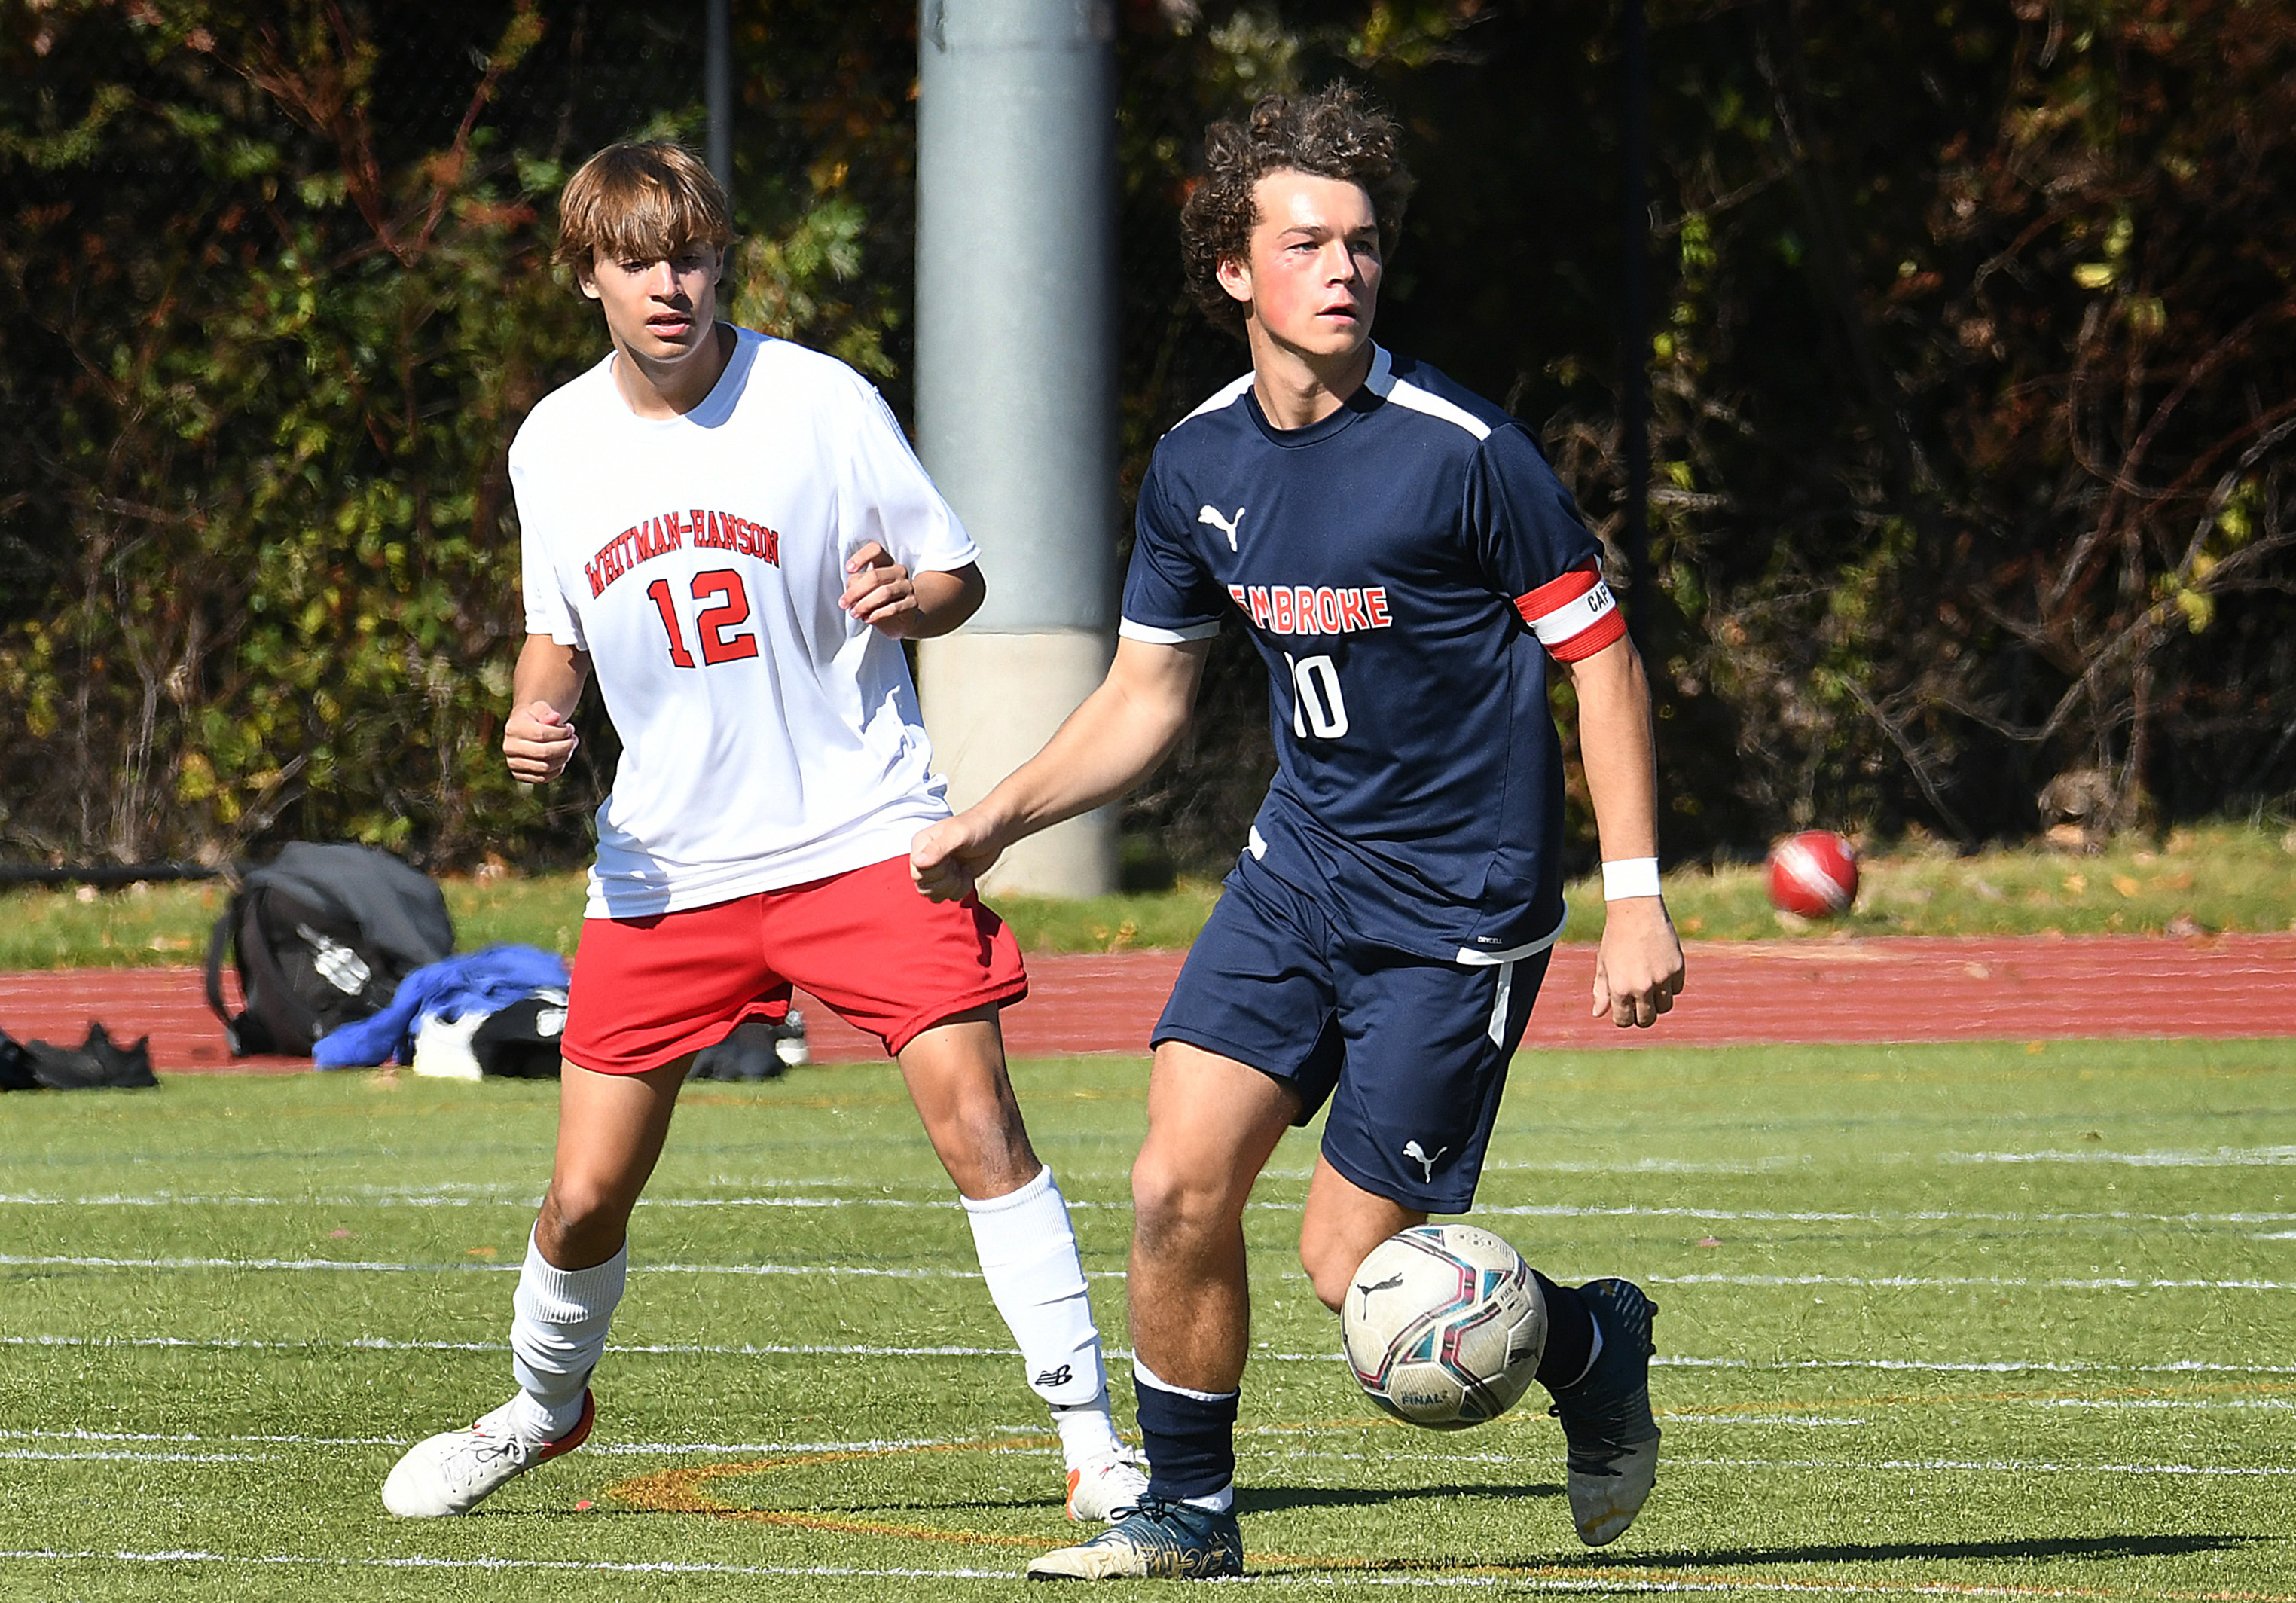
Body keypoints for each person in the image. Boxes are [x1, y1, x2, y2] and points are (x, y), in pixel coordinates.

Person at [911, 87, 1687, 1580]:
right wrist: (997, 816)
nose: (1345, 268)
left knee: (1357, 1274)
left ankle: (1591, 1339)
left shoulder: (1466, 449)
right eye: (1309, 241)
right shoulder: (1199, 466)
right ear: (1231, 268)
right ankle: (1191, 1512)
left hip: (1456, 913)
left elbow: (1603, 658)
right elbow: (1147, 697)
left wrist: (1635, 897)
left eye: (1367, 243)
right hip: (1296, 881)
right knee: (1170, 1180)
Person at [380, 140, 1145, 1525]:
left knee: (980, 1123)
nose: (667, 283)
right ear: (588, 278)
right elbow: (555, 638)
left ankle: (1096, 1444)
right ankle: (542, 1411)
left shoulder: (819, 398)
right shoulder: (550, 442)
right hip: (668, 868)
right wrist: (534, 717)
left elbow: (957, 575)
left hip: (861, 832)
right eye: (634, 261)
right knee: (582, 1199)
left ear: (722, 259)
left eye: (688, 253)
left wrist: (916, 601)